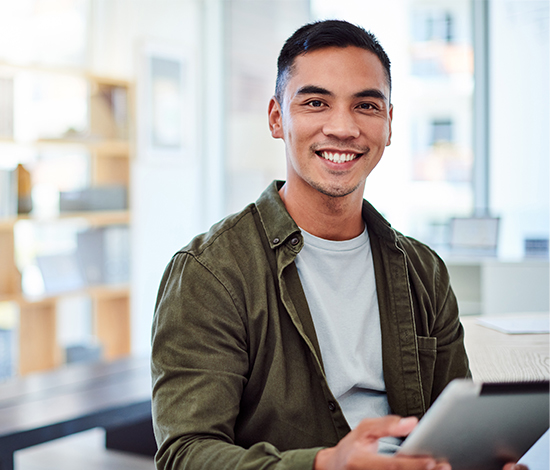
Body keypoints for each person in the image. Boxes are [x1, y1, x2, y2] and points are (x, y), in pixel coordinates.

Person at [151, 20, 525, 470]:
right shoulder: (211, 272)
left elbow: (459, 426)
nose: (343, 128)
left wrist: (481, 460)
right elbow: (186, 454)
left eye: (366, 105)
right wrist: (324, 465)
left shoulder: (424, 270)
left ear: (388, 124)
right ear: (276, 118)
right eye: (315, 103)